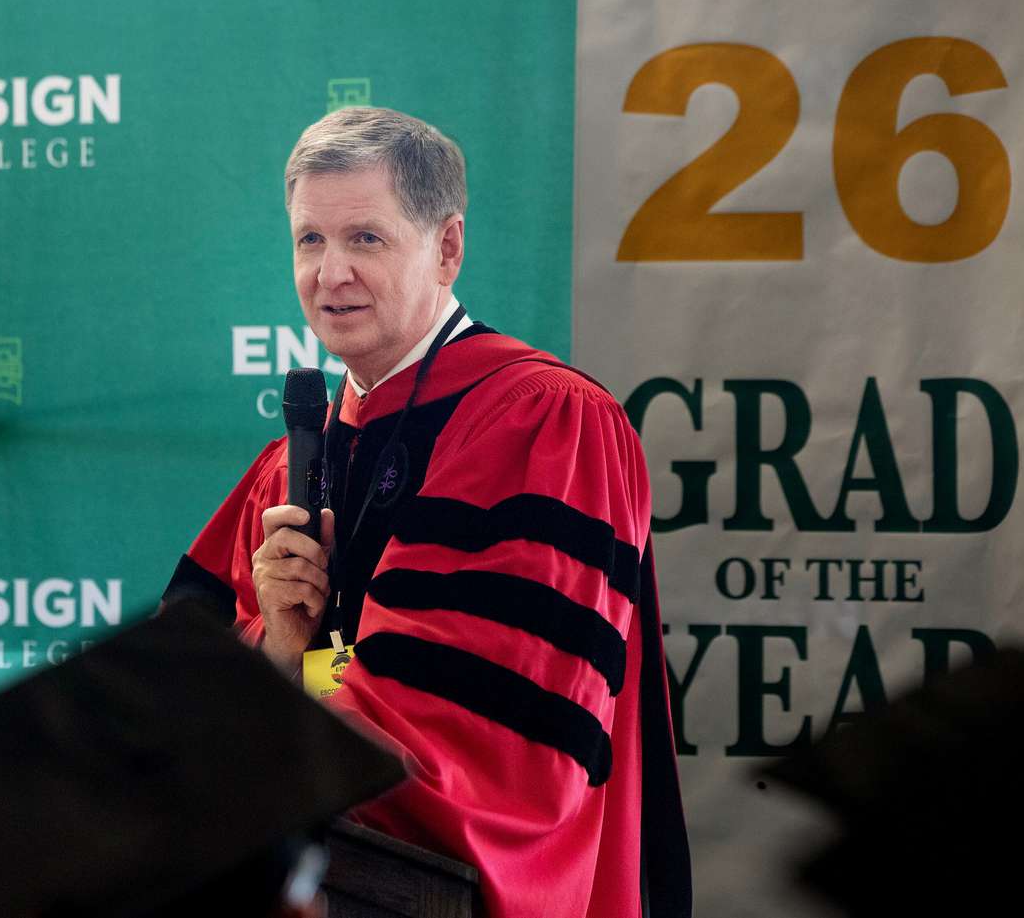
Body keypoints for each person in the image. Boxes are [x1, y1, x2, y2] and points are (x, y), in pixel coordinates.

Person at [164, 107, 691, 918]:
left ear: (447, 247)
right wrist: (276, 646)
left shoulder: (542, 424)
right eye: (310, 240)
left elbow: (477, 744)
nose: (329, 273)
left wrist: (251, 762)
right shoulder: (292, 467)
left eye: (364, 239)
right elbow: (180, 697)